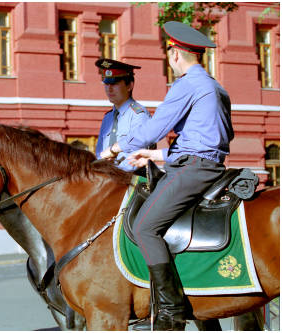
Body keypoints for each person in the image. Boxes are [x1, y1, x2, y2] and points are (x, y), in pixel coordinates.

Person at [100, 21, 234, 330]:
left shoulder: (186, 85)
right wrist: (151, 154)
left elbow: (154, 129)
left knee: (145, 226)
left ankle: (171, 309)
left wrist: (116, 148)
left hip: (193, 170)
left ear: (174, 54)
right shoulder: (216, 87)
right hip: (206, 166)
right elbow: (209, 143)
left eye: (168, 52)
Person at [94, 58, 151, 172]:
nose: (109, 88)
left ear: (129, 85)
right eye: (106, 83)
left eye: (114, 83)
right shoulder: (108, 118)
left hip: (130, 181)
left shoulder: (139, 115)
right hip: (107, 181)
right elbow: (99, 155)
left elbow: (136, 159)